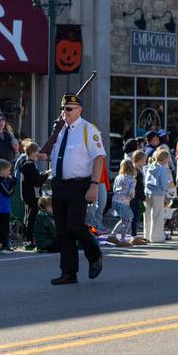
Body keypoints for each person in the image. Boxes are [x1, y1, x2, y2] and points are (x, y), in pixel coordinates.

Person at [47, 93, 105, 285]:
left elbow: (98, 158)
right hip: (59, 185)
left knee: (75, 226)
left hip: (79, 185)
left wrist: (94, 185)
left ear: (79, 110)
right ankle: (68, 272)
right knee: (63, 231)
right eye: (63, 109)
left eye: (69, 109)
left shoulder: (89, 130)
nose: (66, 112)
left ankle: (94, 251)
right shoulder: (60, 130)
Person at [18, 143, 49, 248]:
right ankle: (29, 239)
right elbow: (37, 181)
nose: (38, 154)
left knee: (28, 217)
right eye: (37, 152)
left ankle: (27, 239)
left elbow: (35, 178)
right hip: (32, 195)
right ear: (32, 152)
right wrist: (47, 174)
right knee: (31, 218)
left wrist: (42, 175)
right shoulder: (29, 165)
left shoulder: (26, 164)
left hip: (28, 195)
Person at [143, 148, 172, 244]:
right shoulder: (163, 169)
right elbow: (163, 185)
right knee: (157, 215)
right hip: (158, 194)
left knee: (147, 215)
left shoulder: (150, 167)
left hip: (148, 193)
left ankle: (146, 235)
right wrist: (168, 183)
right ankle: (156, 237)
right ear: (165, 159)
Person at [108, 159, 136, 246]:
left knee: (124, 219)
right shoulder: (132, 179)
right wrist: (131, 197)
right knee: (127, 220)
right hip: (124, 202)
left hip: (115, 200)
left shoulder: (117, 177)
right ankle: (122, 238)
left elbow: (114, 188)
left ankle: (113, 235)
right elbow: (131, 192)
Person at [0, 159, 15, 252]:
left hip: (2, 207)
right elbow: (8, 193)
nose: (9, 172)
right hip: (1, 208)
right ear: (2, 171)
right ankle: (5, 246)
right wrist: (13, 184)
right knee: (3, 228)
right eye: (8, 170)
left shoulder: (1, 180)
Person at [129, 150, 148, 243]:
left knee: (135, 217)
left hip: (137, 197)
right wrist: (142, 196)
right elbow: (136, 186)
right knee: (133, 217)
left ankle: (134, 235)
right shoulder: (134, 170)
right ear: (140, 160)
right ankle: (133, 236)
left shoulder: (137, 169)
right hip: (134, 197)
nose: (145, 162)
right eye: (144, 160)